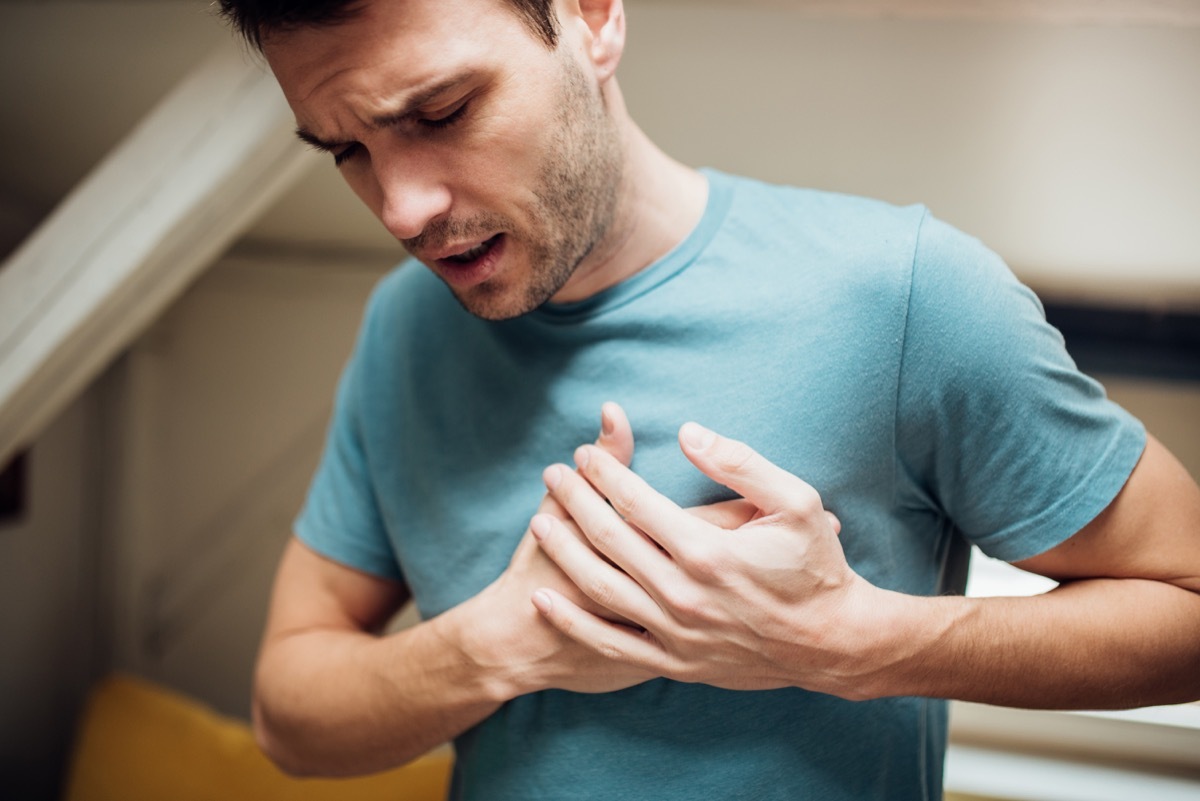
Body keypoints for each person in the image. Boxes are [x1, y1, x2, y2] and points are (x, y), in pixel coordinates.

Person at [218, 0, 1200, 798]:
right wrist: (505, 643)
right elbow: (290, 712)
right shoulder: (407, 328)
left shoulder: (899, 293)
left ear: (593, 18)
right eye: (344, 150)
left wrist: (853, 643)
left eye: (440, 114)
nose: (401, 207)